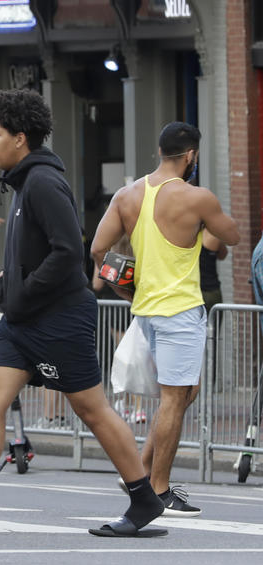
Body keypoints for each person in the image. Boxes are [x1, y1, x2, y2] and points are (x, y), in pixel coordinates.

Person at [0, 88, 164, 538]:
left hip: (59, 317)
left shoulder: (45, 182)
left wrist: (23, 292)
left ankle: (144, 497)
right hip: (23, 320)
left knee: (91, 408)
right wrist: (9, 285)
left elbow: (70, 254)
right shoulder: (23, 182)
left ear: (20, 138)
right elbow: (36, 253)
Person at [92, 120, 239, 518]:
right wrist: (205, 219)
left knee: (184, 393)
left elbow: (98, 250)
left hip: (147, 312)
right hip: (180, 310)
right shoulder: (197, 197)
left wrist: (127, 292)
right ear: (191, 155)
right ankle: (157, 489)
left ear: (160, 151)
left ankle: (140, 472)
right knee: (176, 399)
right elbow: (233, 236)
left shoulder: (127, 194)